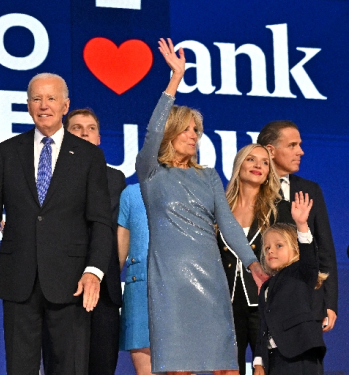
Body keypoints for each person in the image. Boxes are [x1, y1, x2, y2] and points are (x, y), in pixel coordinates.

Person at [0, 72, 114, 375]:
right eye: (37, 98)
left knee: (68, 369)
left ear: (65, 105)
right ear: (28, 105)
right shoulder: (7, 151)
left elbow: (100, 221)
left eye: (51, 98)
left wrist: (93, 271)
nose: (44, 105)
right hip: (20, 281)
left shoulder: (88, 156)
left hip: (71, 283)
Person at [136, 38, 268, 374]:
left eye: (197, 130)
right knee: (179, 369)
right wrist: (174, 79)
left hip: (210, 277)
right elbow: (151, 132)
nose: (194, 135)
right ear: (172, 132)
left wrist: (253, 264)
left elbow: (226, 223)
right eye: (187, 129)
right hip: (170, 282)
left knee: (226, 366)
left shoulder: (208, 177)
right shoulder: (151, 172)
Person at [217, 144, 293, 375]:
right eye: (251, 160)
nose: (258, 165)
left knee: (267, 366)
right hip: (225, 304)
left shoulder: (280, 209)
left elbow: (290, 258)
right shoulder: (219, 208)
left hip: (265, 301)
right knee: (227, 368)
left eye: (265, 162)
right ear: (239, 165)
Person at [257, 121, 338, 333]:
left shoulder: (310, 189)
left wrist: (329, 303)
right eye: (292, 145)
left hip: (305, 301)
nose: (300, 151)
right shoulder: (251, 189)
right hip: (261, 299)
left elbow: (325, 250)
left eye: (300, 145)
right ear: (271, 151)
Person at [65, 108, 126, 375]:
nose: (84, 132)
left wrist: (105, 270)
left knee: (102, 366)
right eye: (76, 128)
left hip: (105, 289)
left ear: (99, 137)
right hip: (63, 287)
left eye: (90, 128)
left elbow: (115, 233)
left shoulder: (115, 178)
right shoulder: (49, 176)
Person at [253, 193, 327, 375]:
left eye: (279, 245)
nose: (271, 251)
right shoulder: (265, 288)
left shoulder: (300, 272)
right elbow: (264, 326)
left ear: (295, 247)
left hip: (300, 354)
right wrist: (259, 362)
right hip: (275, 360)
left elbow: (309, 258)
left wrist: (302, 225)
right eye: (267, 248)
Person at [117, 183, 152, 375]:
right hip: (140, 291)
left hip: (182, 292)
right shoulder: (133, 194)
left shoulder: (194, 189)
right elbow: (119, 254)